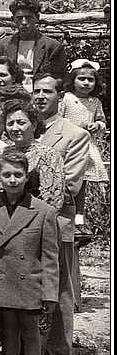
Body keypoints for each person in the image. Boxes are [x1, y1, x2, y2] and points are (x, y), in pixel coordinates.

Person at [0, 150, 59, 355]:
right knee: (9, 334)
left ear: (27, 177)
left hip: (30, 286)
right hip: (3, 284)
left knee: (32, 336)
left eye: (18, 175)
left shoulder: (43, 211)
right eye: (7, 175)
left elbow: (50, 257)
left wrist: (50, 294)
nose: (12, 180)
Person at [31, 73, 90, 355]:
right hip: (23, 225)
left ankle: (57, 354)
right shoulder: (22, 128)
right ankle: (25, 354)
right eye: (36, 91)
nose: (41, 96)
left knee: (60, 289)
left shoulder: (74, 134)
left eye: (48, 91)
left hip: (56, 220)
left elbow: (71, 184)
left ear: (60, 96)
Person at [0, 100, 65, 212]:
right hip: (0, 218)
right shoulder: (0, 154)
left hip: (34, 220)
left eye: (21, 123)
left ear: (34, 125)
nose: (15, 128)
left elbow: (53, 200)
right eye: (10, 124)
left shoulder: (49, 155)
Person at [59, 60, 108, 236]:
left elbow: (102, 121)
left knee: (82, 182)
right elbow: (58, 119)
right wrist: (71, 125)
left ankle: (79, 217)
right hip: (68, 144)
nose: (86, 83)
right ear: (73, 80)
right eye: (82, 78)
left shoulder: (94, 102)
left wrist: (97, 125)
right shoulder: (66, 98)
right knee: (66, 179)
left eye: (90, 79)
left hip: (86, 146)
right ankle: (63, 214)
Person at [0, 0, 67, 82]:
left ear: (37, 18)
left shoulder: (52, 47)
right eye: (19, 18)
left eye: (28, 17)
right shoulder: (3, 45)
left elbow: (59, 80)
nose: (24, 22)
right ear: (13, 19)